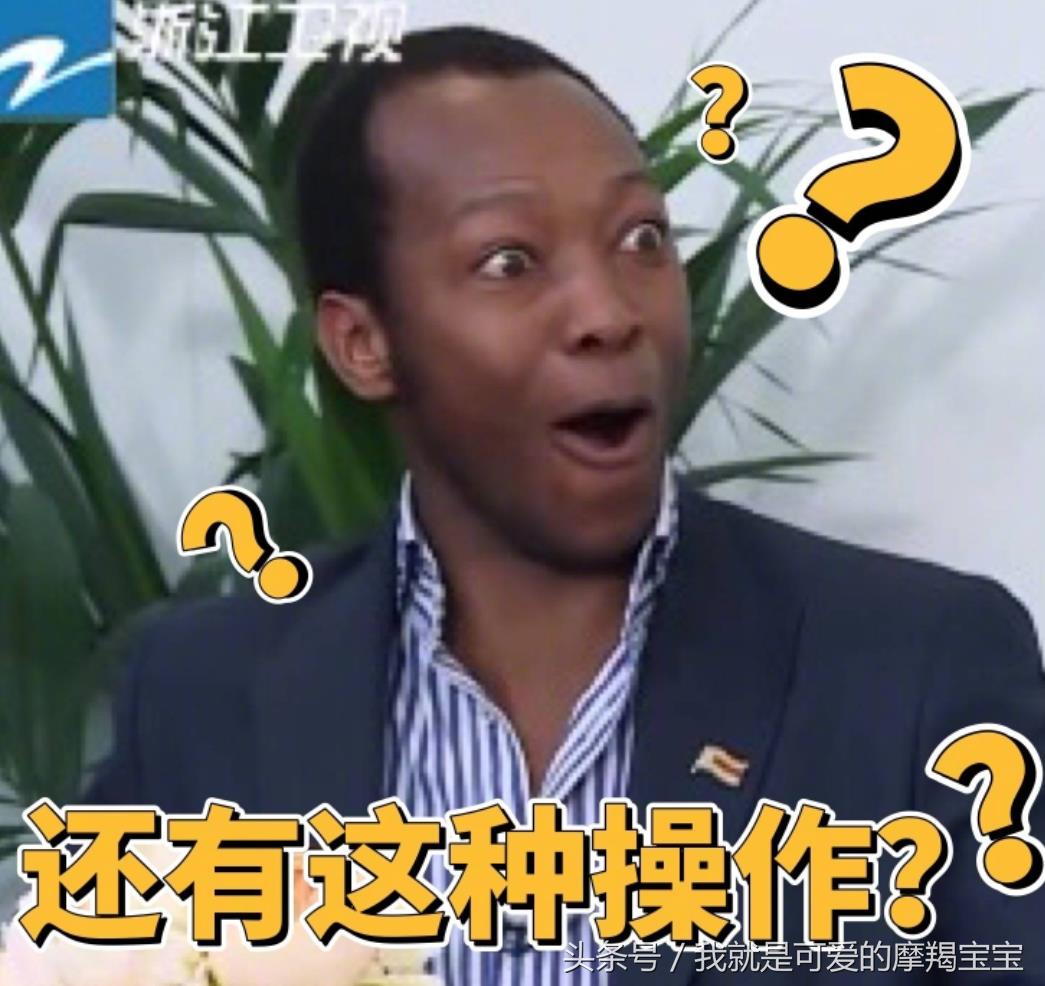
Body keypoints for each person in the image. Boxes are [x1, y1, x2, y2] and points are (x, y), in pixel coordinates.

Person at [85, 24, 1045, 985]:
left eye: (640, 240)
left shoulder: (916, 665)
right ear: (362, 345)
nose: (608, 313)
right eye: (509, 262)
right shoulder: (198, 695)